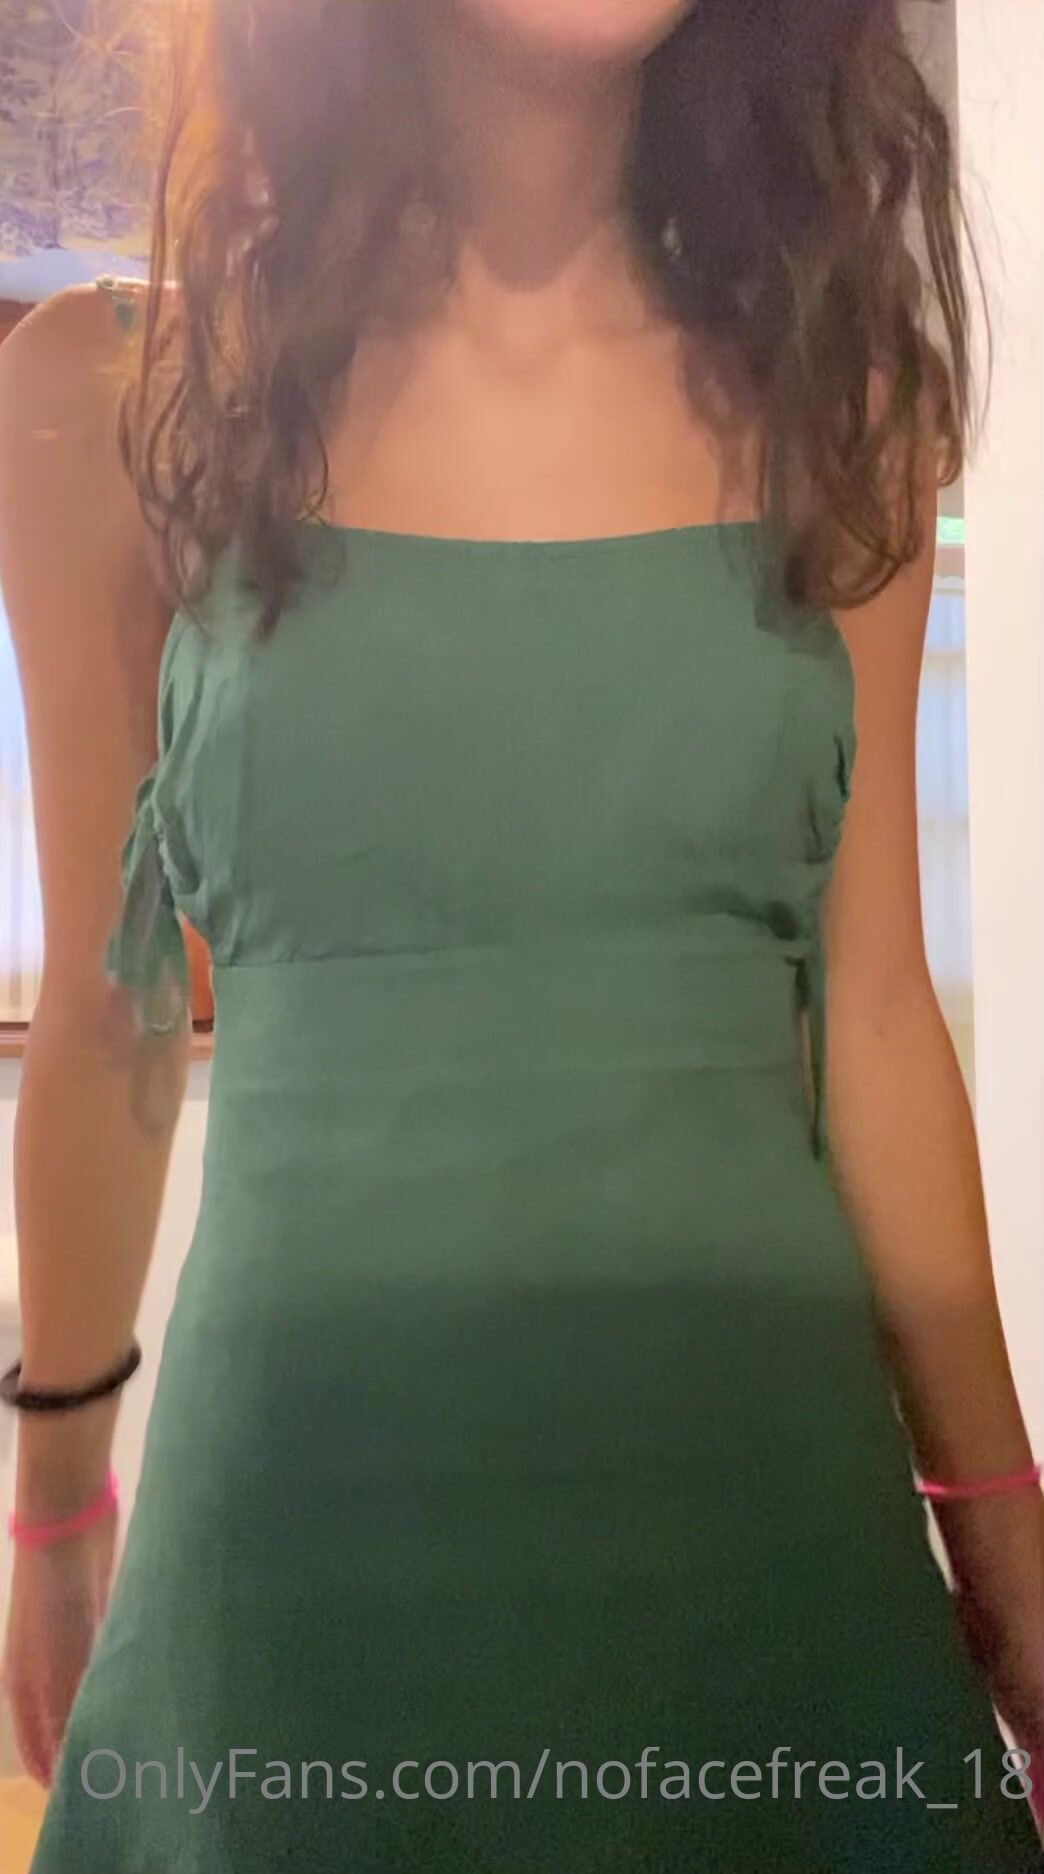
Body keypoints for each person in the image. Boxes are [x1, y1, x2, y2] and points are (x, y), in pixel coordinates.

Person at [1, 0, 1041, 1868]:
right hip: (294, 1598)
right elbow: (107, 1006)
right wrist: (56, 1484)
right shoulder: (119, 392)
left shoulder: (842, 398)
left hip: (778, 1578)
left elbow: (877, 1014)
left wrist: (1007, 1537)